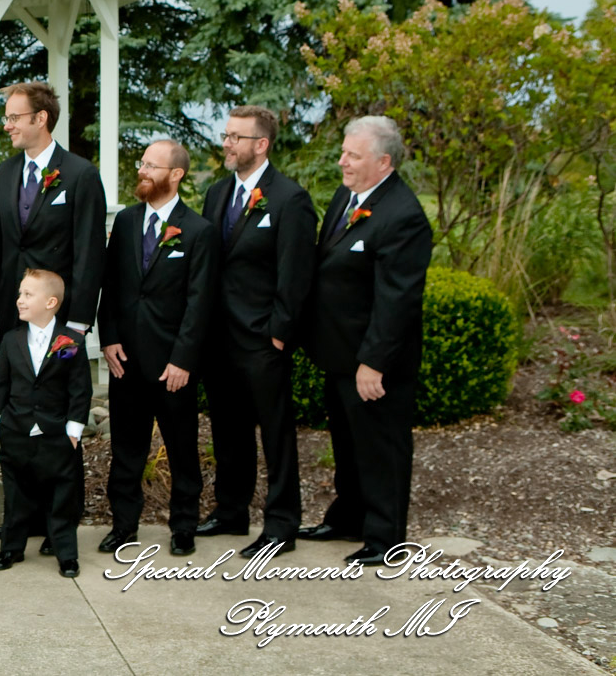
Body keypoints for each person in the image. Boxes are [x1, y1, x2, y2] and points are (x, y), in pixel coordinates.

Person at [301, 116, 432, 567]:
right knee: (348, 445)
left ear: (383, 162)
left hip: (375, 363)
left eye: (353, 156)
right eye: (343, 152)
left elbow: (397, 301)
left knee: (382, 449)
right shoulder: (346, 197)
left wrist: (372, 362)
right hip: (339, 354)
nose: (343, 162)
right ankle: (347, 518)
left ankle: (385, 538)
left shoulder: (404, 216)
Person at [0, 81, 105, 544]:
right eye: (7, 117)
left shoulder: (80, 174)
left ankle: (59, 527)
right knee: (17, 418)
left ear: (40, 119)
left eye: (14, 117)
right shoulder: (4, 173)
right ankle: (20, 520)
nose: (7, 124)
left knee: (56, 420)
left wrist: (77, 322)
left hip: (59, 316)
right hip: (16, 312)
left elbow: (90, 252)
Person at [197, 106, 316, 558]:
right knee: (228, 430)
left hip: (263, 341)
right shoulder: (216, 194)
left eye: (235, 137)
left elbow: (296, 273)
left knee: (276, 436)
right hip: (220, 339)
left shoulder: (289, 199)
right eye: (226, 135)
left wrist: (279, 333)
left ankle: (283, 524)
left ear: (261, 144)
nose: (226, 143)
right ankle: (231, 511)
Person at [96, 140, 219, 557]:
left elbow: (200, 303)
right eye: (142, 163)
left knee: (183, 450)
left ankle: (184, 526)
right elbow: (109, 286)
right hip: (125, 361)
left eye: (152, 165)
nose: (142, 171)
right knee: (126, 451)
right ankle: (123, 527)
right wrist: (108, 337)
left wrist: (183, 359)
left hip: (173, 367)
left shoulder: (199, 231)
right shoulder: (127, 222)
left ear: (176, 174)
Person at [0, 270, 90, 579]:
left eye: (28, 295)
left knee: (62, 495)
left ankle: (66, 554)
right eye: (20, 293)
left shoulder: (69, 341)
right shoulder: (11, 339)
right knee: (15, 493)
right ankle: (11, 548)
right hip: (16, 429)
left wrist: (73, 430)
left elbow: (79, 387)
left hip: (56, 432)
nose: (20, 300)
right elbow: (1, 382)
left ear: (51, 302)